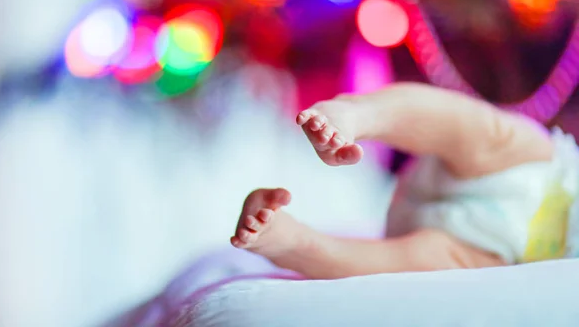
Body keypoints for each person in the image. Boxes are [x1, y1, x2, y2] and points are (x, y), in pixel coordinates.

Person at [230, 82, 579, 278]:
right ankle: (357, 115)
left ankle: (293, 243)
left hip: (512, 254)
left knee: (435, 268)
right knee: (489, 133)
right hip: (552, 177)